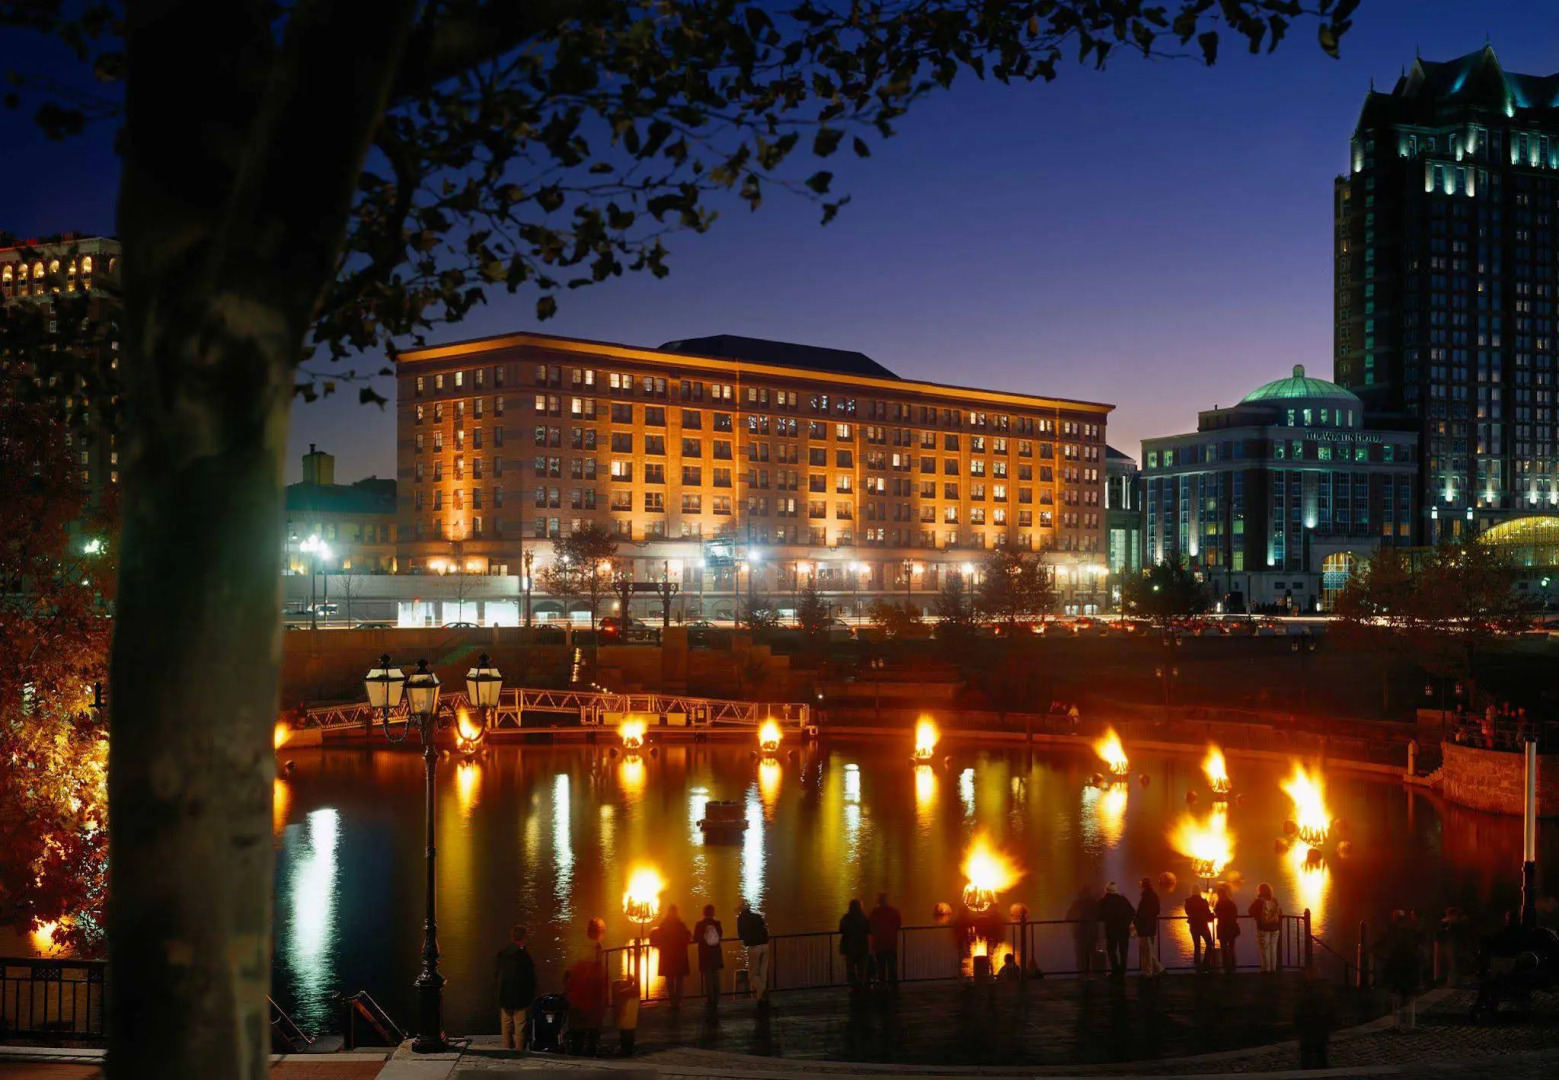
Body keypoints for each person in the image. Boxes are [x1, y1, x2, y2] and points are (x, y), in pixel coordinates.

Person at [495, 924, 537, 1050]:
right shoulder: (523, 956)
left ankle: (507, 1050)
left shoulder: (502, 953)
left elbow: (497, 974)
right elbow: (529, 977)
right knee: (520, 1026)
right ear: (523, 938)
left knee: (506, 1024)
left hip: (504, 995)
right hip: (521, 997)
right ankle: (519, 1052)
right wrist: (532, 994)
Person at [1295, 964, 1336, 1069]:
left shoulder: (1308, 988)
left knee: (1316, 1049)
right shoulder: (1315, 988)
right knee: (1312, 1050)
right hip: (1311, 1022)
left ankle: (1314, 1067)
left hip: (1314, 1022)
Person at [563, 956, 605, 1056]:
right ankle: (591, 1052)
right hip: (592, 1008)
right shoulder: (596, 973)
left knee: (577, 1031)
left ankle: (577, 1051)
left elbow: (568, 986)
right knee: (592, 1031)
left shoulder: (575, 970)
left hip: (577, 1006)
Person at [653, 904, 692, 1009]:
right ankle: (678, 1001)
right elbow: (687, 937)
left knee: (669, 979)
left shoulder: (664, 925)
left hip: (667, 957)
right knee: (679, 979)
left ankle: (672, 1001)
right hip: (679, 956)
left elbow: (658, 938)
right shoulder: (681, 925)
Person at [1098, 882, 1136, 979]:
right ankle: (1122, 972)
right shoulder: (1123, 899)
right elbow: (1132, 912)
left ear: (1107, 890)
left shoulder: (1104, 901)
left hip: (1111, 930)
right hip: (1123, 930)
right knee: (1123, 951)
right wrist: (1126, 922)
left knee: (1111, 950)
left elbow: (1098, 914)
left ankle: (1116, 970)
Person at [736, 900, 771, 1004]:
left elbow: (741, 935)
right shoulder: (757, 916)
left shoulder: (741, 918)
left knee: (752, 975)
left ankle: (762, 991)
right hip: (765, 945)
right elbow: (765, 930)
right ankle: (761, 998)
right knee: (763, 973)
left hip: (754, 947)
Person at [867, 892, 902, 987]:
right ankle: (893, 985)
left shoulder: (875, 912)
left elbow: (870, 926)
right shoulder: (893, 911)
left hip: (879, 943)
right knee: (892, 967)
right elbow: (898, 924)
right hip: (891, 943)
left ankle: (881, 985)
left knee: (880, 966)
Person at [693, 903, 724, 1010]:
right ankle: (717, 998)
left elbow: (696, 938)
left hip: (705, 954)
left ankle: (710, 999)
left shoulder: (699, 924)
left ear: (704, 913)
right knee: (716, 976)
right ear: (713, 913)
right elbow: (720, 936)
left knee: (708, 978)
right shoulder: (717, 923)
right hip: (716, 954)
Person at [838, 898, 872, 992]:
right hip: (862, 946)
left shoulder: (846, 918)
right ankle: (861, 984)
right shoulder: (864, 918)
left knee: (851, 968)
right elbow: (869, 929)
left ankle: (854, 985)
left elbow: (841, 929)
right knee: (862, 968)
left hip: (850, 947)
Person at [1066, 885, 1100, 976]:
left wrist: (1077, 918)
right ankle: (1093, 974)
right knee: (1092, 954)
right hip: (1091, 933)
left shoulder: (1077, 904)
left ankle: (1082, 974)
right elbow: (1100, 916)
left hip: (1080, 934)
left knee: (1081, 956)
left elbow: (1068, 917)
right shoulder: (1094, 903)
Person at [1249, 883, 1283, 973]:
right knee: (1273, 949)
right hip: (1275, 928)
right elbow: (1280, 911)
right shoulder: (1274, 900)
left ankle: (1265, 969)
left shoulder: (1259, 901)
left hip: (1263, 928)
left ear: (1260, 891)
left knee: (1264, 949)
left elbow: (1250, 912)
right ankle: (1273, 969)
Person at [1135, 877, 1164, 977]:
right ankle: (1154, 970)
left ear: (1143, 886)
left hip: (1145, 927)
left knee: (1146, 950)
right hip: (1151, 927)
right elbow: (1157, 911)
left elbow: (1141, 912)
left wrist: (1138, 920)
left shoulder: (1146, 897)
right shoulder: (1154, 896)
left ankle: (1151, 971)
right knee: (1149, 949)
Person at [1185, 888, 1214, 973]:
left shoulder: (1188, 901)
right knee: (1209, 944)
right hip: (1203, 925)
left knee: (1197, 946)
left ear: (1192, 891)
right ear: (1199, 891)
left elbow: (1187, 912)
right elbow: (1207, 912)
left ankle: (1197, 965)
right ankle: (1206, 963)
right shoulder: (1204, 901)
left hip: (1193, 926)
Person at [1214, 885, 1241, 974]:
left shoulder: (1219, 904)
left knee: (1224, 948)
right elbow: (1235, 914)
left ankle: (1225, 967)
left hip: (1222, 928)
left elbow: (1217, 914)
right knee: (1232, 948)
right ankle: (1233, 967)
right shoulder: (1231, 903)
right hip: (1231, 928)